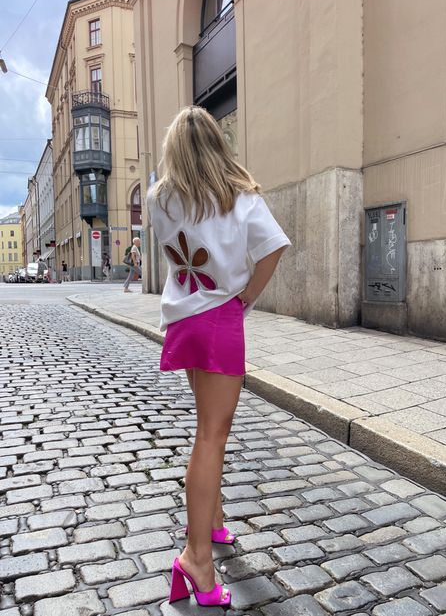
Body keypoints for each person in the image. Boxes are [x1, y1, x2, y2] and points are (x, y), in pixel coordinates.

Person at [147, 105, 291, 608]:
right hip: (219, 320)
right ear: (216, 143)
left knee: (206, 423)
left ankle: (212, 521)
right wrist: (246, 296)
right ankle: (197, 559)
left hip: (184, 318)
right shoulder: (241, 198)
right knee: (211, 434)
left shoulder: (159, 198)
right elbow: (274, 247)